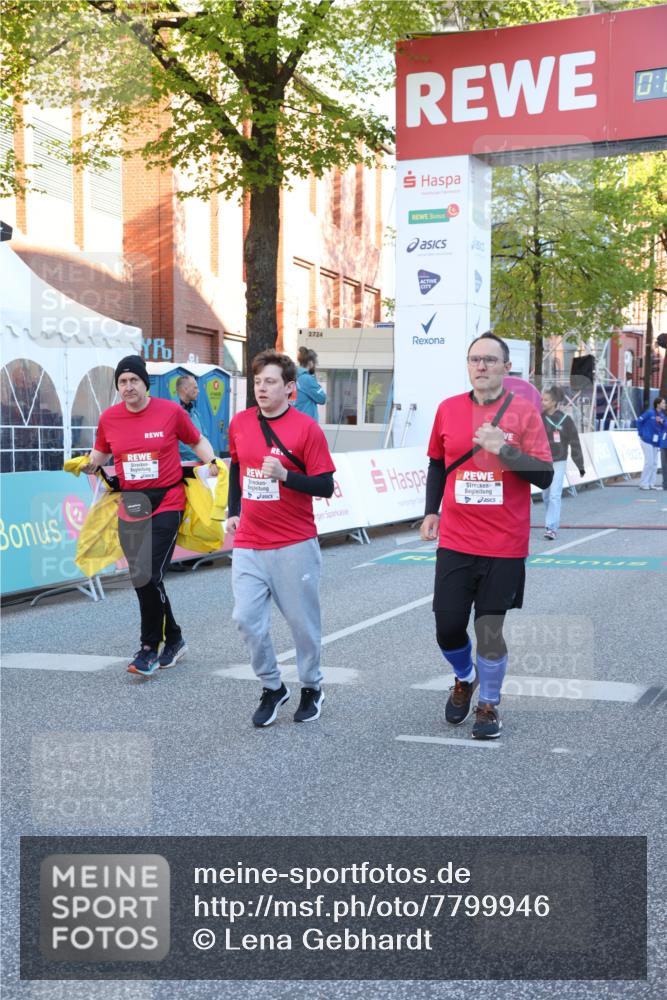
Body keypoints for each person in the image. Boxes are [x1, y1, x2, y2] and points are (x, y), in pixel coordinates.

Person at [420, 332, 553, 740]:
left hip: (505, 544)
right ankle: (464, 676)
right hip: (457, 540)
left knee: (489, 630)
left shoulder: (526, 413)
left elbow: (544, 476)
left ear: (505, 367)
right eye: (475, 359)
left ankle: (489, 704)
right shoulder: (447, 410)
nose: (481, 366)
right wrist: (431, 511)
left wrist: (504, 449)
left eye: (490, 360)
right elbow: (438, 465)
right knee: (447, 626)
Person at [82, 355, 218, 676]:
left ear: (145, 383)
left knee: (147, 573)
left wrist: (212, 462)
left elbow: (196, 440)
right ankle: (174, 638)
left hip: (168, 499)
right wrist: (87, 463)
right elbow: (101, 453)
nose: (128, 387)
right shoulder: (110, 418)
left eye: (133, 380)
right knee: (144, 576)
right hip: (132, 503)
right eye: (122, 382)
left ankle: (148, 648)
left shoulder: (169, 412)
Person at [227, 350, 335, 727]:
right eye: (257, 382)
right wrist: (233, 510)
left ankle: (311, 686)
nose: (262, 388)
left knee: (303, 624)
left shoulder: (306, 428)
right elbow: (236, 465)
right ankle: (273, 687)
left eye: (270, 381)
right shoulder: (240, 423)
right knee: (246, 619)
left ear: (290, 388)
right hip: (249, 542)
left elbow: (325, 485)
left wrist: (286, 476)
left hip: (294, 543)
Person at [540, 385, 585, 540]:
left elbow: (575, 442)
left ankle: (551, 527)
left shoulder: (566, 421)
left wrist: (580, 465)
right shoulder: (538, 418)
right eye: (542, 399)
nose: (542, 402)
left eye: (545, 400)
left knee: (554, 495)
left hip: (559, 461)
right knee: (546, 496)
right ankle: (550, 520)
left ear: (554, 402)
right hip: (543, 462)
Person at [636, 397, 665, 490]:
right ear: (658, 404)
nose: (665, 404)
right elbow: (639, 421)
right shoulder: (649, 413)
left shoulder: (662, 415)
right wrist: (641, 433)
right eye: (663, 403)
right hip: (647, 440)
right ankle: (643, 483)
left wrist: (662, 422)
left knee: (655, 463)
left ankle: (651, 483)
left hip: (656, 442)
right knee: (649, 462)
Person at [175, 374, 205, 463]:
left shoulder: (195, 412)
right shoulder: (172, 412)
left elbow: (204, 436)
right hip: (182, 466)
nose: (198, 391)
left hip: (199, 464)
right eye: (195, 388)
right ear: (185, 389)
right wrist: (203, 454)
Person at [294, 348, 326, 421]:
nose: (315, 366)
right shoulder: (307, 379)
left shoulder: (294, 376)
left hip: (296, 420)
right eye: (315, 363)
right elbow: (322, 399)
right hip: (306, 423)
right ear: (310, 363)